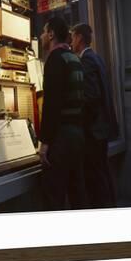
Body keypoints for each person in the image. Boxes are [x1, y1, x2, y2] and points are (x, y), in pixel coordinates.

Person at [39, 17, 87, 210]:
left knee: (55, 196)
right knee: (77, 192)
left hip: (61, 138)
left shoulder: (55, 59)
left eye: (44, 32)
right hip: (77, 134)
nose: (41, 36)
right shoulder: (75, 58)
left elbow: (52, 104)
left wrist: (44, 143)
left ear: (51, 34)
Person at [70, 23, 117, 208]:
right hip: (102, 129)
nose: (71, 41)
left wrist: (78, 122)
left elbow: (91, 97)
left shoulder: (86, 60)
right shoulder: (97, 58)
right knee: (103, 175)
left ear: (79, 38)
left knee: (96, 180)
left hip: (93, 131)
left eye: (73, 37)